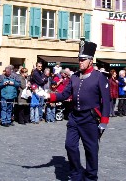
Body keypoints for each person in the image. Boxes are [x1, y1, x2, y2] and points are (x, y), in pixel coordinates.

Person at [46, 40, 110, 181]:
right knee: (70, 145)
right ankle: (76, 174)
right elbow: (64, 94)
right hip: (74, 117)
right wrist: (48, 96)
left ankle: (91, 177)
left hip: (90, 118)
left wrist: (104, 122)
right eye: (79, 59)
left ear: (90, 61)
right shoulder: (74, 77)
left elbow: (106, 101)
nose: (80, 62)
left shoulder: (99, 77)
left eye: (83, 60)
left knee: (91, 150)